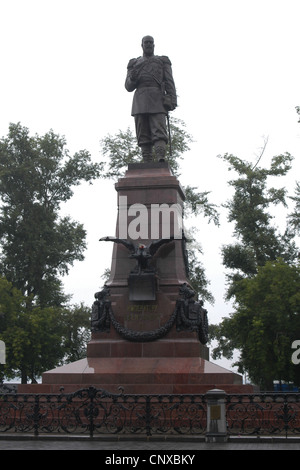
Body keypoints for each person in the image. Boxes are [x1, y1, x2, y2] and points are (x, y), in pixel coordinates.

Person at [125, 36, 177, 162]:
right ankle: (146, 160)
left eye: (151, 42)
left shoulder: (162, 61)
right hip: (140, 99)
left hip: (157, 98)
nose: (148, 45)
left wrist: (172, 99)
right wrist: (132, 78)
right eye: (146, 43)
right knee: (142, 132)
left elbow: (169, 81)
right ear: (141, 45)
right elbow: (128, 87)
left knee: (159, 130)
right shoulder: (134, 63)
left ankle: (160, 158)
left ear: (154, 45)